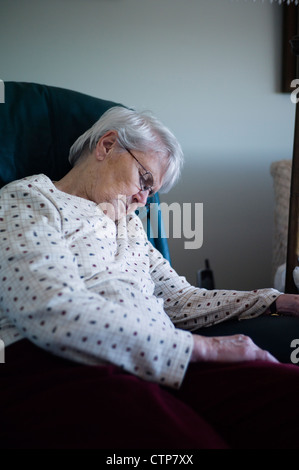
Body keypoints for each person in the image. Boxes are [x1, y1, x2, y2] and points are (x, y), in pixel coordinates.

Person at [0, 106, 299, 450]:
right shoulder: (30, 199)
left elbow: (180, 299)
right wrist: (203, 347)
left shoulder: (130, 227)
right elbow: (52, 309)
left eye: (151, 193)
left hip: (156, 354)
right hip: (62, 362)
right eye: (144, 180)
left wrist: (275, 299)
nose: (143, 200)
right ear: (107, 146)